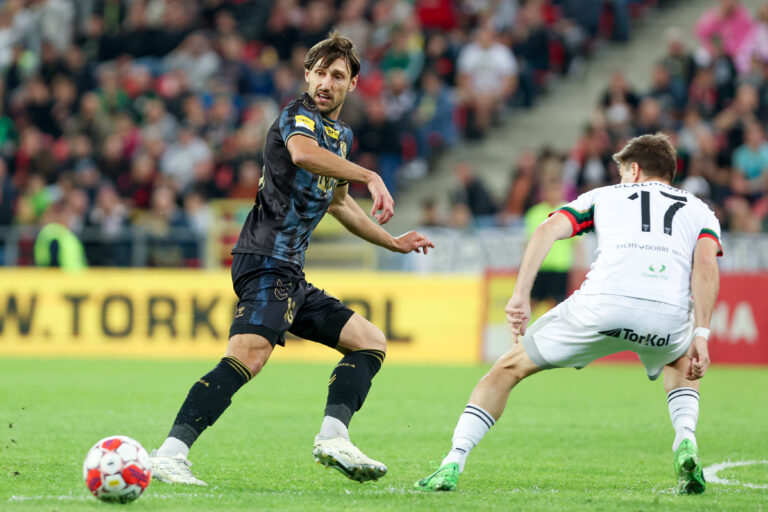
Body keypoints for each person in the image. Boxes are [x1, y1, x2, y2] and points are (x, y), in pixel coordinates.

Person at [150, 32, 434, 486]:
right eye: (319, 72)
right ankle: (169, 453)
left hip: (289, 272)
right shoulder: (296, 116)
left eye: (336, 75)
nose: (325, 82)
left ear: (352, 84)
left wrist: (393, 242)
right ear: (307, 75)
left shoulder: (341, 137)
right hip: (264, 259)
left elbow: (340, 204)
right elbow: (302, 154)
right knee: (247, 358)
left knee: (369, 341)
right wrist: (372, 175)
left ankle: (333, 437)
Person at [415, 133, 721, 495]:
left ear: (635, 170)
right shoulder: (700, 210)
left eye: (623, 171)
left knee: (507, 368)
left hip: (602, 305)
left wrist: (520, 295)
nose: (622, 177)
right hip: (667, 316)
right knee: (682, 361)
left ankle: (453, 460)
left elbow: (546, 230)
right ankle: (685, 440)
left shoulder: (605, 196)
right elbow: (705, 267)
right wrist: (701, 334)